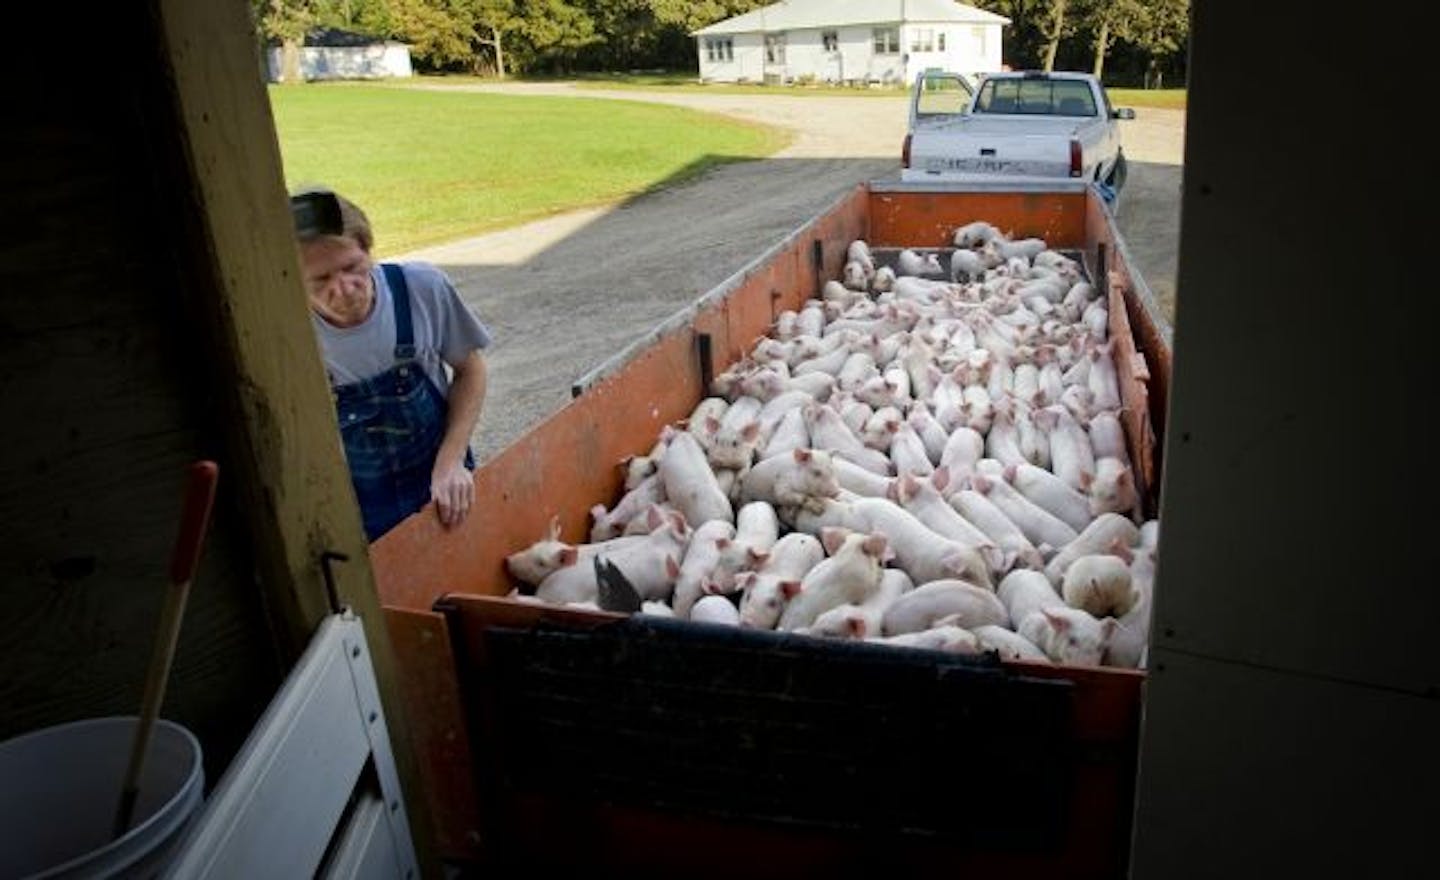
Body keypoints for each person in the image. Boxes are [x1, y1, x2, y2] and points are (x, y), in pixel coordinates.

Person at [293, 187, 492, 540]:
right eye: (321, 280)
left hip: (442, 488)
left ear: (368, 251)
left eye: (352, 267)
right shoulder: (287, 336)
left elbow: (470, 369)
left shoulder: (420, 288)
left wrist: (452, 461)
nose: (345, 288)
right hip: (358, 511)